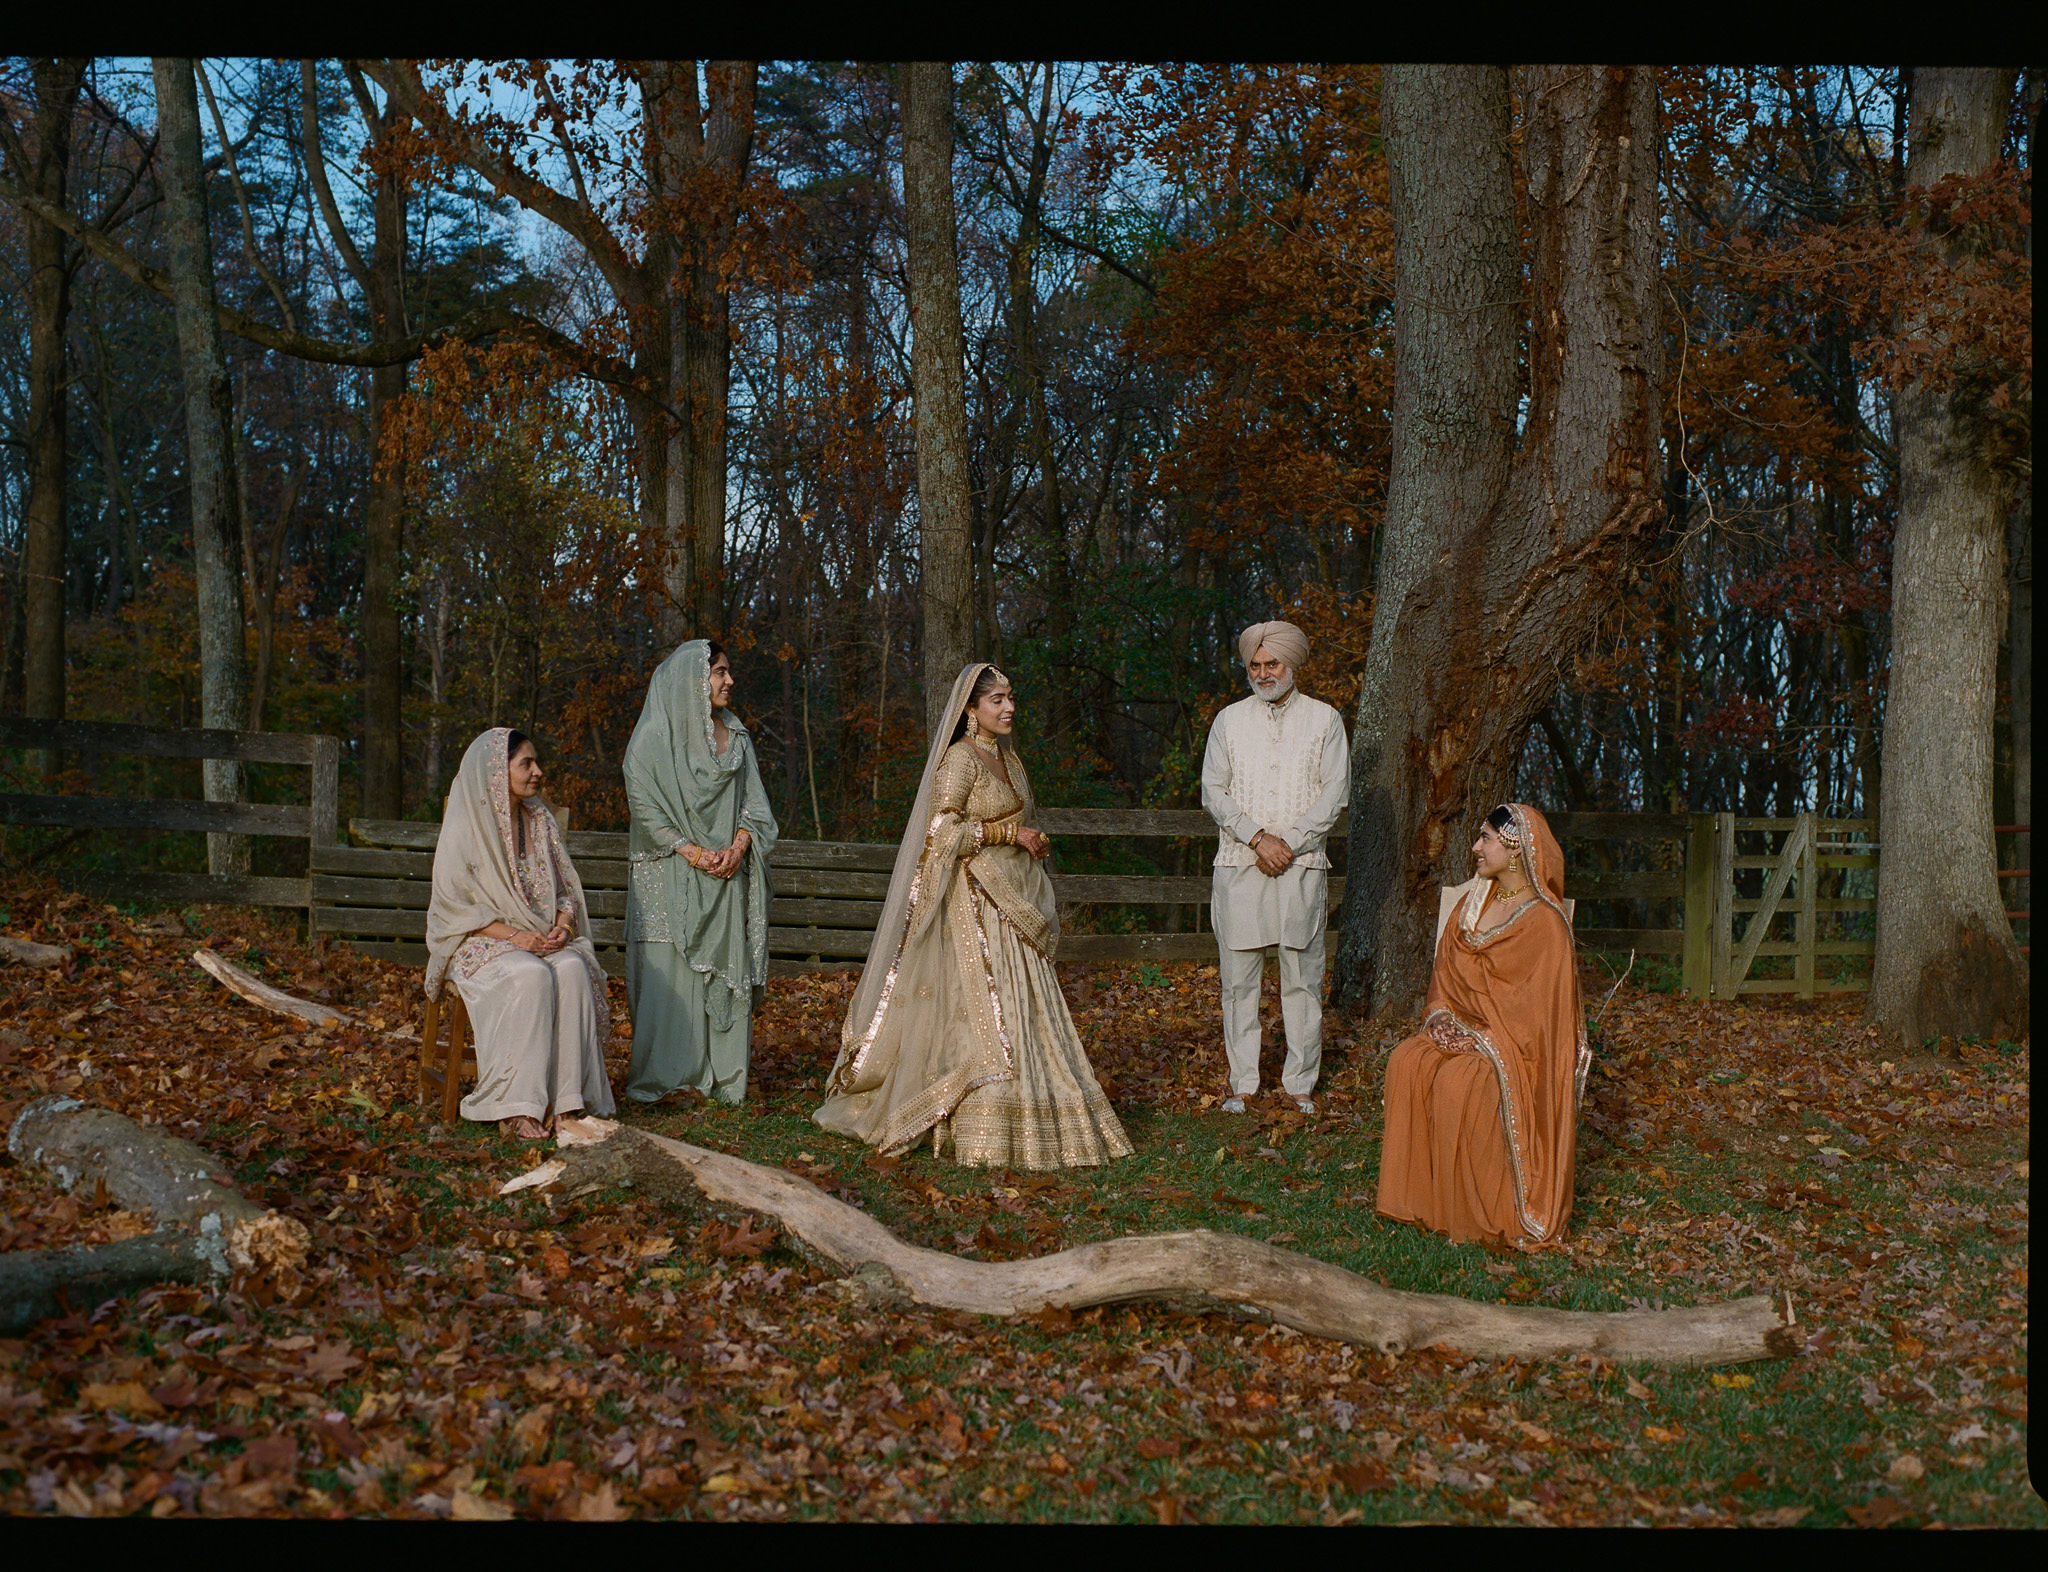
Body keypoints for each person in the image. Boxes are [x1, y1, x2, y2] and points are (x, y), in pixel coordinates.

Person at [814, 664, 1131, 1169]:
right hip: (976, 907)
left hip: (1015, 900)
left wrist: (1031, 839)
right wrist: (1007, 836)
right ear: (970, 709)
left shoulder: (1011, 760)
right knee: (987, 1020)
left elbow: (1019, 821)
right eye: (997, 700)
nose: (1008, 708)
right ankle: (977, 1127)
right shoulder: (961, 760)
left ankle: (1044, 1115)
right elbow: (939, 834)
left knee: (1026, 1012)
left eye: (1011, 698)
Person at [1377, 803, 1588, 1247]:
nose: (1475, 847)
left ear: (1514, 848)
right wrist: (1440, 1020)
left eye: (1485, 839)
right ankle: (1420, 1203)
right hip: (1459, 1029)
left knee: (1460, 1081)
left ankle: (1474, 1215)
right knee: (1407, 1059)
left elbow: (1540, 1024)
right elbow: (1443, 980)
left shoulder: (1546, 925)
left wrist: (1479, 1039)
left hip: (1511, 1054)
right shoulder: (1471, 905)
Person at [424, 728, 615, 1142]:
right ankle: (516, 1106)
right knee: (530, 976)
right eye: (526, 763)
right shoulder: (468, 823)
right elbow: (452, 908)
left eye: (535, 762)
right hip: (479, 941)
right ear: (497, 770)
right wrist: (513, 936)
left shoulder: (539, 817)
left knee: (569, 968)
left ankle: (567, 1104)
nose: (537, 772)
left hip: (539, 939)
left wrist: (562, 928)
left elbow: (566, 890)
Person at [1199, 620, 1350, 1116]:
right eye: (1255, 665)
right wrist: (1258, 838)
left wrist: (1291, 842)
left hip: (1301, 865)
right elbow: (1213, 791)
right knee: (1239, 980)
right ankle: (1242, 1083)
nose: (1263, 673)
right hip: (1240, 862)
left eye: (1272, 664)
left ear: (1292, 665)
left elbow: (1335, 793)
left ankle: (1300, 1083)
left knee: (1302, 979)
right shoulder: (1228, 721)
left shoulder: (1325, 720)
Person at [621, 639, 779, 1106]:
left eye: (727, 673)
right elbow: (643, 804)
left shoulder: (738, 735)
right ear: (694, 679)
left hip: (727, 872)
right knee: (670, 971)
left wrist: (739, 846)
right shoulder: (655, 737)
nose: (729, 681)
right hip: (669, 868)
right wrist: (689, 850)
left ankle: (725, 1079)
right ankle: (667, 1077)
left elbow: (756, 805)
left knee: (723, 969)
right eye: (720, 673)